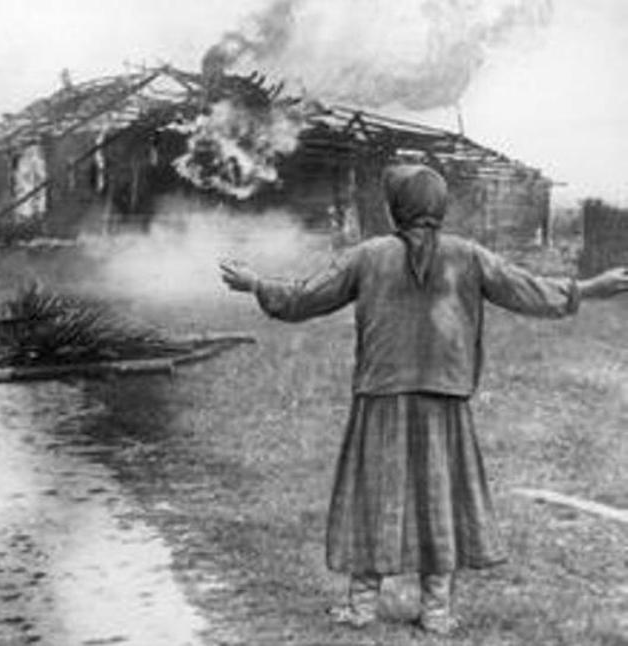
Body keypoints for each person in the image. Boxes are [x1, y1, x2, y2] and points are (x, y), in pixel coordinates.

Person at [219, 164, 628, 635]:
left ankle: (362, 606)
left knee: (371, 496)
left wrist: (256, 283)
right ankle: (436, 611)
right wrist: (589, 289)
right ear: (439, 206)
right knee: (440, 499)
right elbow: (527, 290)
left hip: (382, 398)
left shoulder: (369, 256)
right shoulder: (467, 255)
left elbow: (303, 298)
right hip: (443, 398)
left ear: (396, 207)